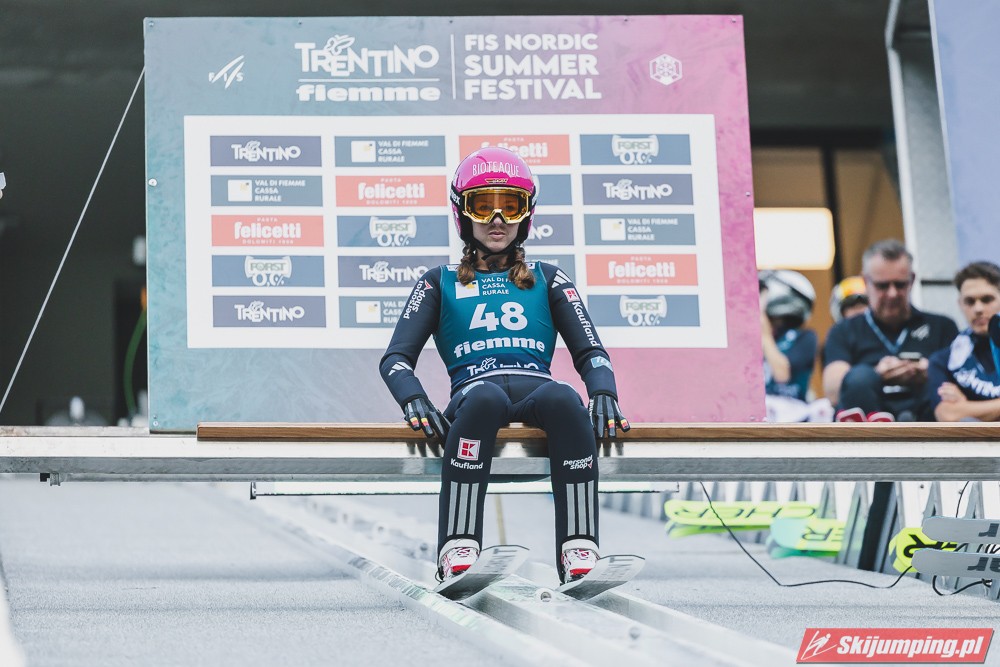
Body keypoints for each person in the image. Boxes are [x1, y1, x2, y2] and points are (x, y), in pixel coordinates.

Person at [379, 147, 629, 584]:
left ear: (526, 215)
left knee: (564, 398)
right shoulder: (438, 281)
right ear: (463, 213)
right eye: (483, 206)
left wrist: (603, 390)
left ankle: (579, 548)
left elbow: (591, 351)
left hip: (537, 390)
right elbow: (396, 359)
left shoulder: (549, 277)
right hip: (475, 392)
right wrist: (413, 399)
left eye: (510, 206)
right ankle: (457, 546)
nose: (497, 220)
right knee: (485, 398)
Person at [822, 239, 959, 422]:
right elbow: (832, 392)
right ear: (865, 281)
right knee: (860, 377)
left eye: (900, 285)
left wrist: (932, 371)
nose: (892, 293)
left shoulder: (942, 326)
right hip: (867, 423)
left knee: (940, 381)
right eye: (882, 286)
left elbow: (964, 385)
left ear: (912, 280)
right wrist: (876, 373)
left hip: (925, 421)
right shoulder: (844, 330)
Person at [926, 261, 1000, 422]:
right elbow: (948, 415)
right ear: (960, 304)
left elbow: (958, 412)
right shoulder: (943, 360)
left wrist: (966, 406)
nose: (978, 309)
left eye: (987, 299)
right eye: (970, 301)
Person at [759, 270, 819, 422]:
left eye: (763, 293)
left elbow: (782, 374)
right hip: (758, 415)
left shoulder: (804, 337)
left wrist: (764, 335)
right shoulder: (752, 340)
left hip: (791, 417)